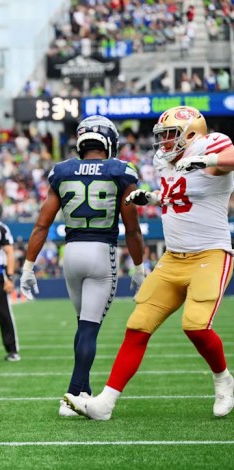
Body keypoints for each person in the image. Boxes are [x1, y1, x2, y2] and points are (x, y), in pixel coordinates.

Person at [65, 106, 234, 420]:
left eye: (170, 135)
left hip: (210, 254)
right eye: (163, 136)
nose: (165, 142)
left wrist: (205, 160)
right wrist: (152, 197)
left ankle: (224, 379)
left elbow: (226, 163)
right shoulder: (170, 162)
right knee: (137, 326)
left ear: (192, 133)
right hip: (173, 258)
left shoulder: (211, 146)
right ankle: (105, 404)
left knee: (196, 326)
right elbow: (181, 195)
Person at [20, 116, 145, 417]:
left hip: (71, 253)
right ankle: (74, 394)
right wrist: (139, 267)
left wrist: (27, 267)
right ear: (109, 143)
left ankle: (81, 390)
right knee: (88, 328)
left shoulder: (62, 171)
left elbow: (41, 225)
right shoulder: (120, 171)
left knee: (83, 325)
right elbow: (132, 228)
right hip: (102, 252)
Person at [0, 203, 21, 362]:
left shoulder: (0, 228)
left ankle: (12, 349)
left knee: (4, 313)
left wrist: (10, 277)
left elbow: (9, 252)